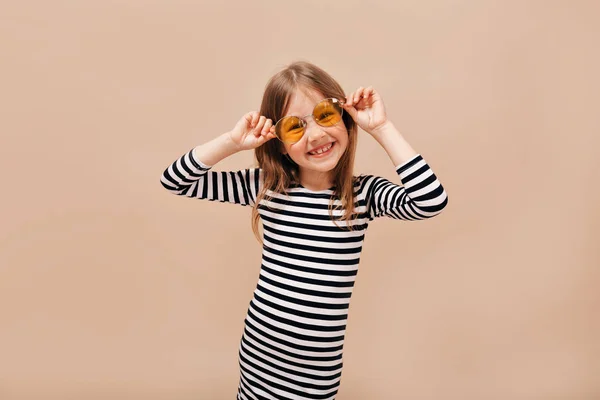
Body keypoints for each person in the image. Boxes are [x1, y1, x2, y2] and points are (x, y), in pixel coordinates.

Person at [160, 61, 448, 400]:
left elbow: (430, 200)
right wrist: (232, 141)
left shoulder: (362, 196)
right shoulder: (267, 187)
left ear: (344, 118)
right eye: (295, 127)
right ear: (280, 143)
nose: (316, 135)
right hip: (260, 353)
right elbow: (175, 180)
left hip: (316, 369)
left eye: (325, 115)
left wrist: (381, 127)